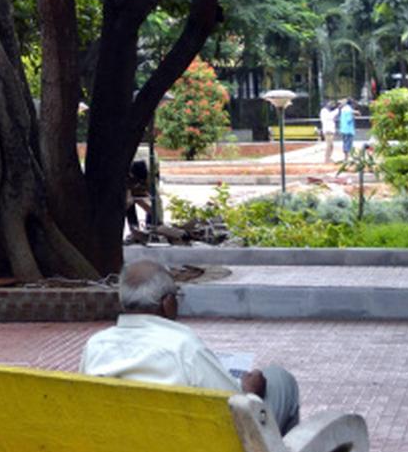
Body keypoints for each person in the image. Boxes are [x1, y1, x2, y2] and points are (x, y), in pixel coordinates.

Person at [80, 258, 300, 433]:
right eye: (177, 296)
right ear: (167, 303)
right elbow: (234, 408)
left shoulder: (96, 345)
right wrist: (251, 391)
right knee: (281, 379)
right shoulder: (183, 347)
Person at [124, 159, 153, 238]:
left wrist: (146, 203)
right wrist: (131, 199)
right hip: (129, 194)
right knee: (129, 206)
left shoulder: (147, 177)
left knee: (152, 207)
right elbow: (127, 195)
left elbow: (149, 193)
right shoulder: (126, 177)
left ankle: (150, 226)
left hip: (139, 193)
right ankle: (134, 228)